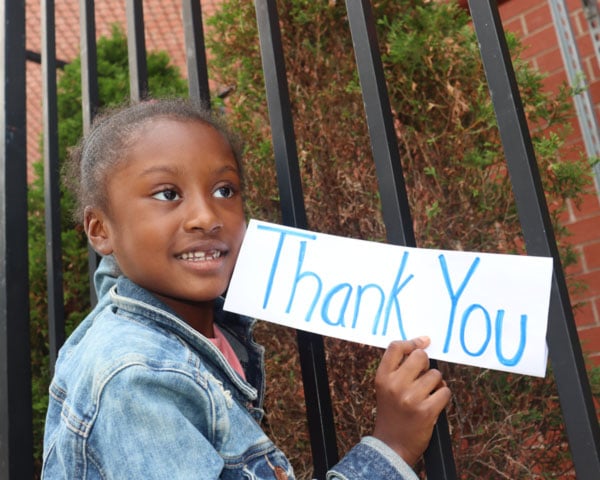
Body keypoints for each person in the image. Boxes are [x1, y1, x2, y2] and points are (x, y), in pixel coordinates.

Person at [42, 98, 451, 479]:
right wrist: (391, 445)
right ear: (100, 230)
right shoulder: (135, 380)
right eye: (167, 194)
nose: (206, 216)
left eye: (224, 190)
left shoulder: (198, 325)